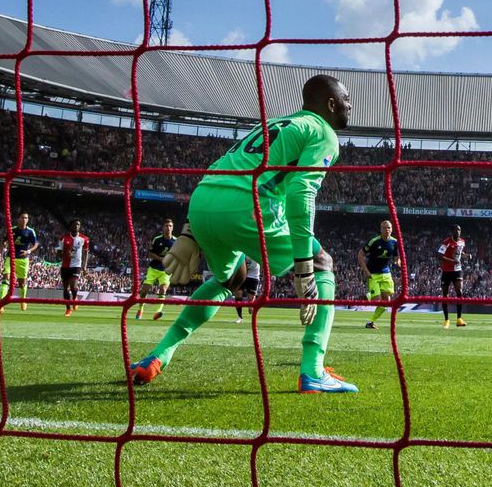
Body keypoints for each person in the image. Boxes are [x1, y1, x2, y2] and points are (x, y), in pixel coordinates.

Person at [130, 74, 357, 393]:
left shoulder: (274, 123)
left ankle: (158, 355)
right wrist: (303, 270)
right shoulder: (323, 132)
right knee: (322, 263)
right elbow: (301, 194)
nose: (350, 106)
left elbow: (223, 167)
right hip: (248, 205)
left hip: (203, 201)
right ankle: (313, 371)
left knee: (230, 279)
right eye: (347, 100)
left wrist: (189, 233)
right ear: (331, 104)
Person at [362, 220, 401, 329]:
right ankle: (368, 296)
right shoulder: (374, 241)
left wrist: (398, 262)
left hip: (386, 273)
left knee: (386, 303)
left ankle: (371, 322)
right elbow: (360, 255)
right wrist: (366, 271)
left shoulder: (395, 242)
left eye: (389, 228)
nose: (387, 230)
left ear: (392, 229)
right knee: (376, 301)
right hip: (373, 274)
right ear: (380, 229)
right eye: (384, 228)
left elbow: (396, 257)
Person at [136, 218, 176, 321]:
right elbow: (150, 253)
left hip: (166, 270)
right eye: (167, 226)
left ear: (173, 228)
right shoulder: (157, 239)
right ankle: (140, 309)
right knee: (144, 291)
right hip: (154, 268)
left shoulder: (176, 241)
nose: (168, 228)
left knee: (163, 289)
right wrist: (161, 259)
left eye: (170, 226)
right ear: (163, 228)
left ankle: (158, 312)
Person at [438, 224, 467, 329]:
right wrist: (452, 261)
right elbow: (439, 255)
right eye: (455, 230)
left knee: (460, 292)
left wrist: (466, 255)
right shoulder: (446, 242)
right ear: (452, 231)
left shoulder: (462, 241)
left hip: (457, 270)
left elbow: (459, 253)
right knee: (445, 294)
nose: (458, 231)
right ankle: (446, 320)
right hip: (446, 271)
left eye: (459, 230)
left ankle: (459, 319)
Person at [59, 218, 89, 317]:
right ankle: (68, 309)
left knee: (74, 286)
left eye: (78, 225)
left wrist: (84, 266)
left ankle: (75, 298)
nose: (77, 226)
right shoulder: (64, 238)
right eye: (75, 224)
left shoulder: (84, 239)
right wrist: (65, 254)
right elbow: (58, 253)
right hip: (65, 266)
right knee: (65, 289)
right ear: (71, 226)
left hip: (76, 265)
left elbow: (85, 253)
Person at [10, 212, 38, 311]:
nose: (24, 219)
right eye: (22, 217)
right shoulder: (12, 230)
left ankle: (23, 300)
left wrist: (28, 251)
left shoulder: (30, 231)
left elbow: (36, 244)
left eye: (26, 218)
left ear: (28, 220)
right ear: (18, 219)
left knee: (22, 283)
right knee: (6, 279)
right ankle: (1, 303)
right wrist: (1, 250)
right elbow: (3, 240)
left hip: (23, 259)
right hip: (10, 258)